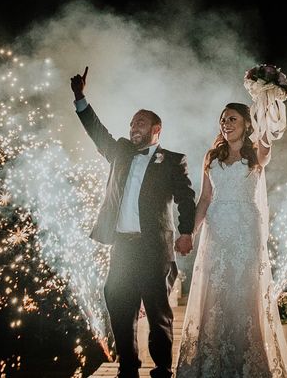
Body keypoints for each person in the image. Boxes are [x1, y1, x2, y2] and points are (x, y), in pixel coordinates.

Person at [71, 66, 195, 378]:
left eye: (140, 121)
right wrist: (80, 98)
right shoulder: (120, 152)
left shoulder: (172, 160)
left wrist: (186, 231)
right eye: (131, 122)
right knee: (118, 304)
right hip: (122, 247)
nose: (133, 126)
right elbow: (97, 131)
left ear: (157, 128)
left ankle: (163, 369)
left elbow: (185, 196)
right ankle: (128, 366)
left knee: (158, 313)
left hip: (155, 248)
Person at [176, 103, 287, 378]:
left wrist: (267, 102)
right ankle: (213, 363)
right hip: (216, 230)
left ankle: (245, 363)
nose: (226, 123)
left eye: (232, 119)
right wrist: (190, 232)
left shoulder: (255, 154)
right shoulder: (212, 156)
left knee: (243, 295)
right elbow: (204, 199)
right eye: (223, 119)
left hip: (245, 231)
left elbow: (267, 144)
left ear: (246, 124)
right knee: (216, 293)